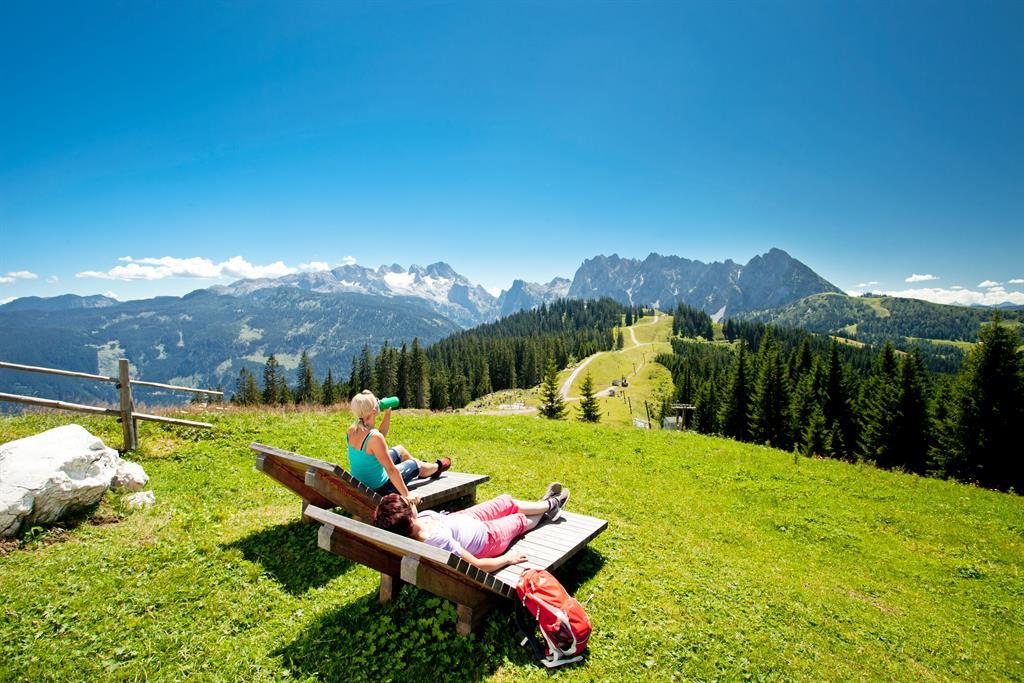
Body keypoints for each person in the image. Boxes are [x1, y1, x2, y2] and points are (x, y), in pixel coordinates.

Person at [372, 484, 571, 572]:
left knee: (505, 501)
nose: (409, 500)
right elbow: (475, 565)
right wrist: (507, 559)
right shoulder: (436, 540)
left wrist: (412, 503)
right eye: (407, 502)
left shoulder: (412, 526)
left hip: (466, 519)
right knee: (518, 519)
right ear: (409, 517)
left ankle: (545, 505)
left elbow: (412, 511)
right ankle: (550, 506)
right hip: (486, 538)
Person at [346, 389, 451, 502]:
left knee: (400, 450)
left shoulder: (352, 429)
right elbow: (391, 470)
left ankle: (420, 470)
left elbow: (376, 440)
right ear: (374, 410)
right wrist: (407, 495)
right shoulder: (375, 437)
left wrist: (387, 413)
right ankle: (436, 467)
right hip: (380, 488)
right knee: (415, 463)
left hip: (361, 484)